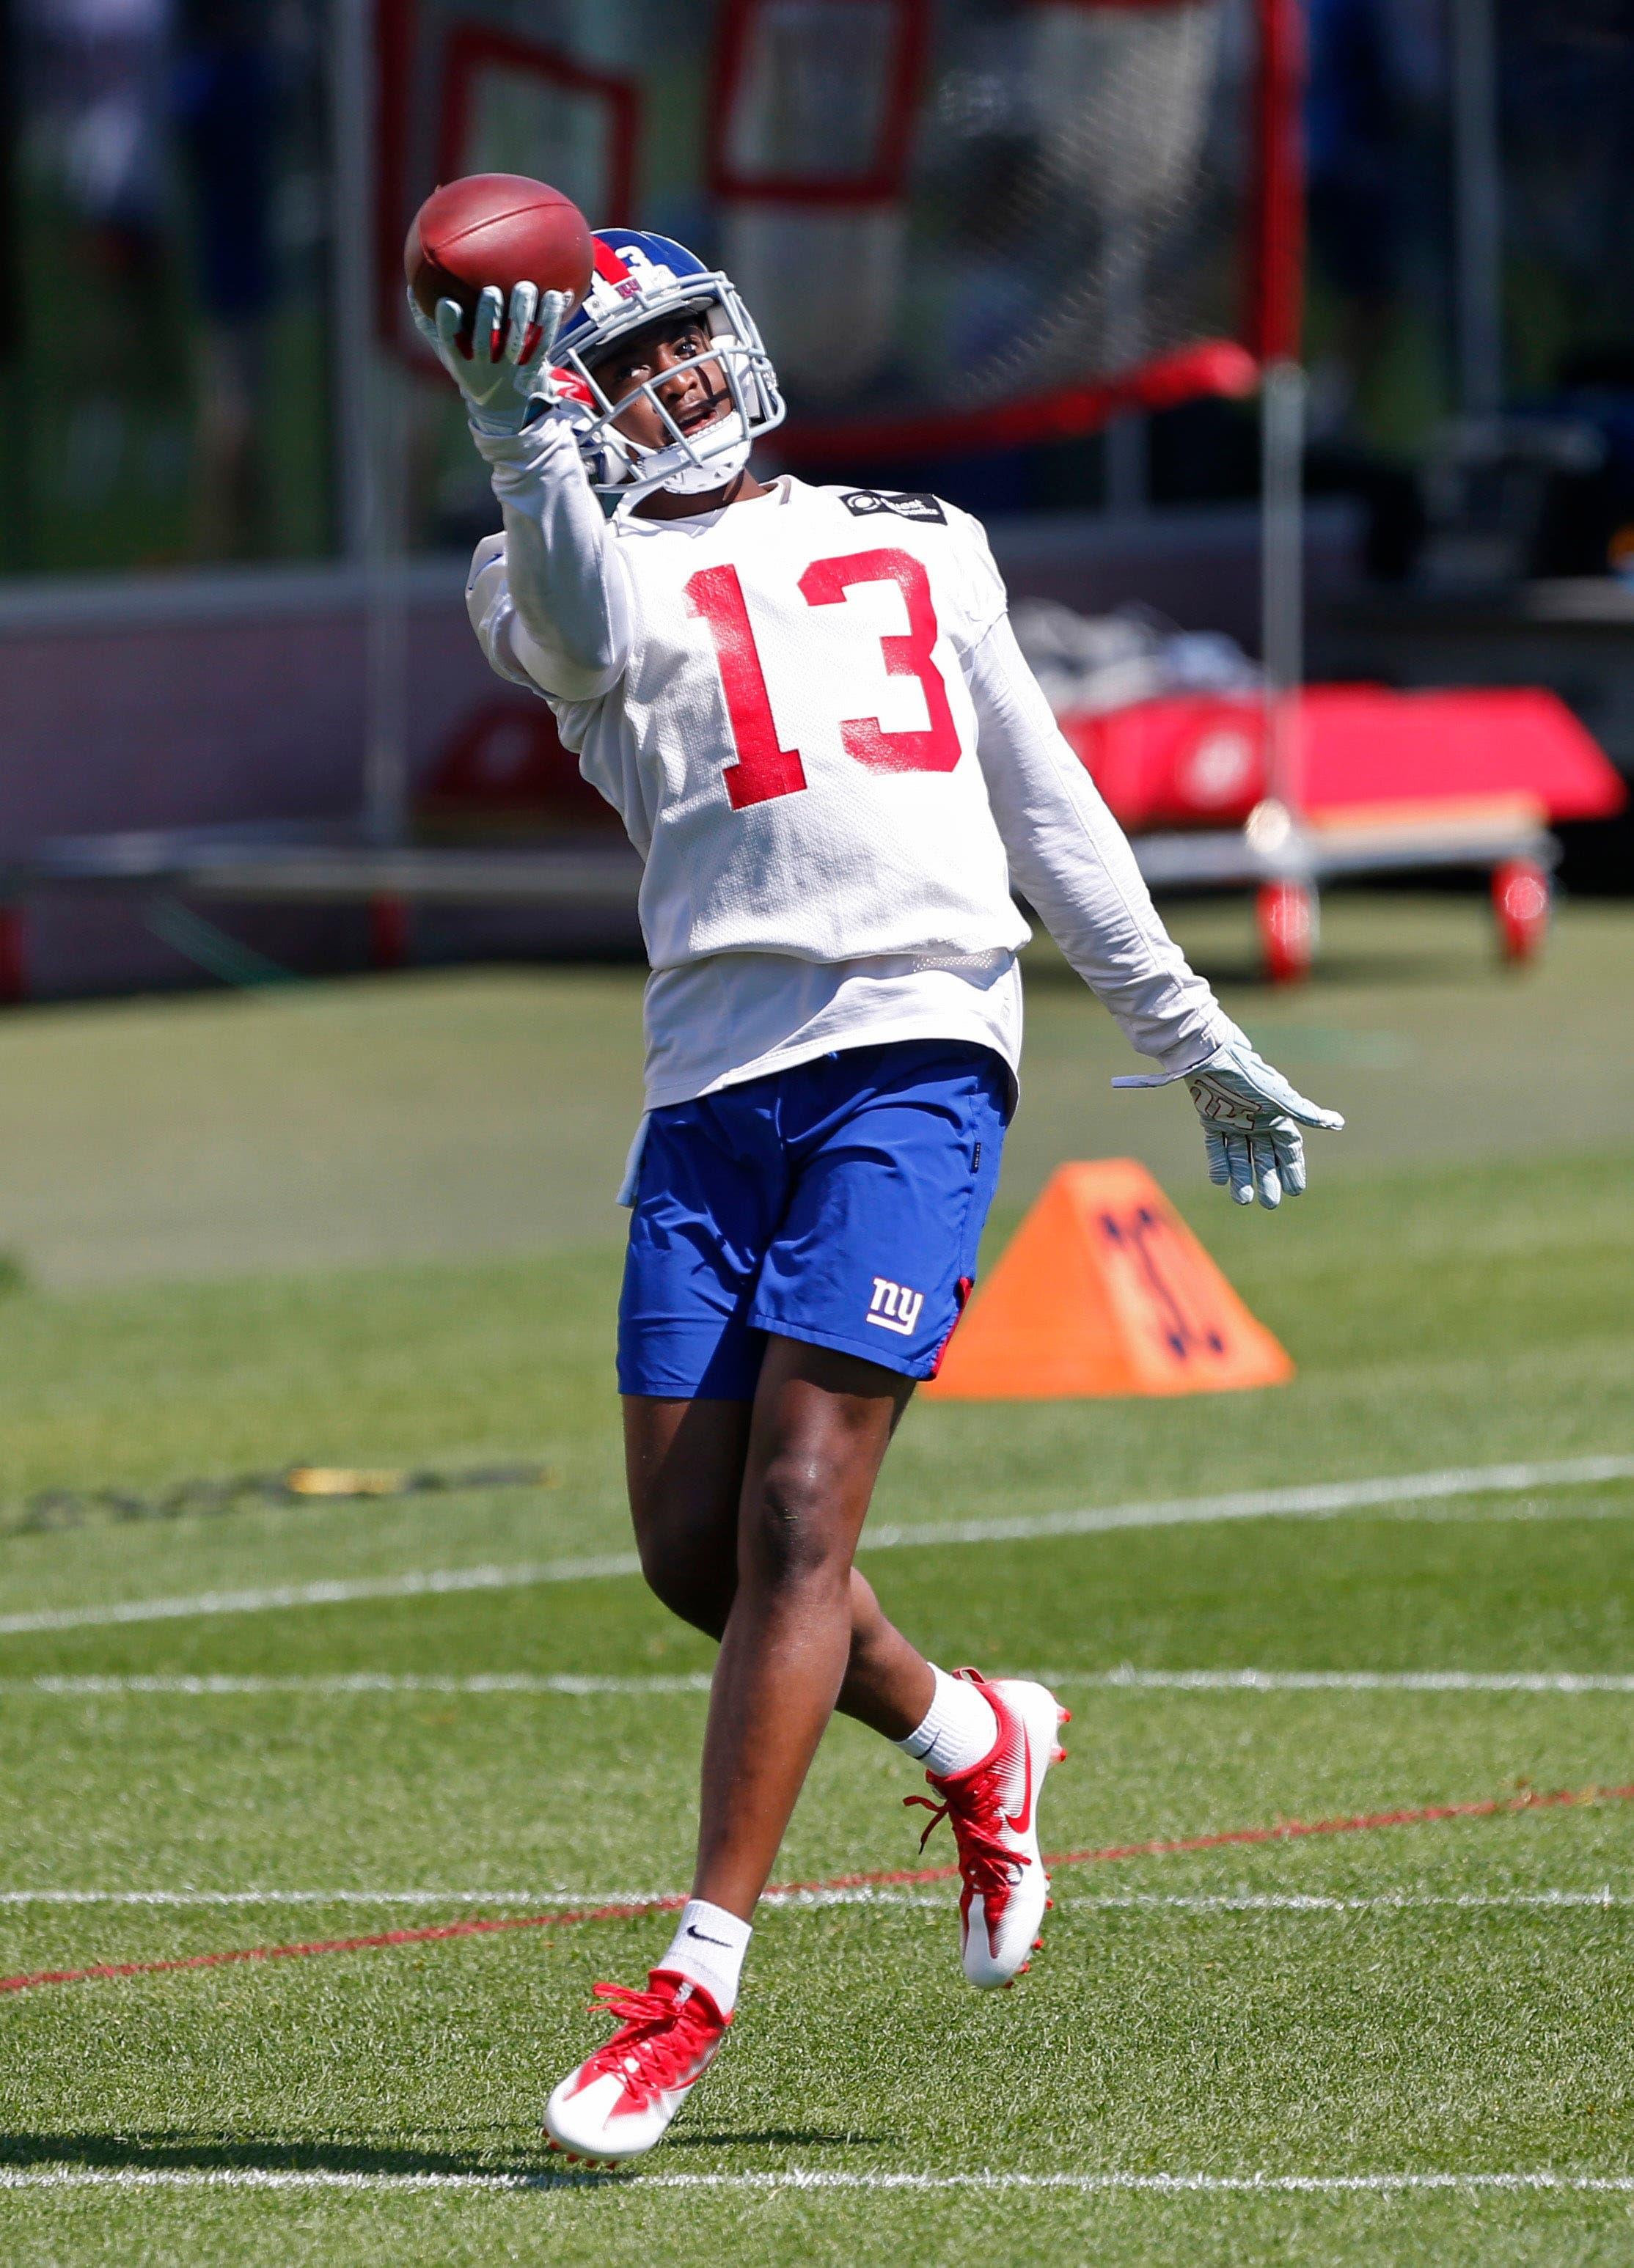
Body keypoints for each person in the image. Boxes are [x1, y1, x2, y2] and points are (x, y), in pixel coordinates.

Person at [413, 231, 1342, 2167]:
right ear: (558, 397)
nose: (664, 388)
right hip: (706, 1088)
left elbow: (1042, 802)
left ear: (731, 344)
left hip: (918, 1054)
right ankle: (972, 1730)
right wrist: (519, 438)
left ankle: (689, 1986)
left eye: (680, 348)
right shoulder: (539, 560)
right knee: (697, 1560)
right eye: (615, 369)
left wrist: (1182, 1029)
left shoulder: (921, 535)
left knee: (796, 1514)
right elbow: (583, 629)